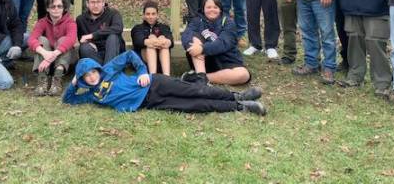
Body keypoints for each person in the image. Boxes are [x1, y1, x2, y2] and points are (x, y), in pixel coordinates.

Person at [63, 50, 266, 115]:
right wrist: (73, 83)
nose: (91, 77)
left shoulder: (107, 69)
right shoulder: (91, 94)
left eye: (92, 72)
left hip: (154, 84)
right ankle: (239, 107)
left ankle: (237, 95)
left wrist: (142, 71)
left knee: (197, 91)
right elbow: (68, 100)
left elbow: (130, 55)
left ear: (97, 69)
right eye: (86, 76)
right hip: (150, 103)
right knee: (196, 106)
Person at [181, 0, 251, 86]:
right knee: (194, 39)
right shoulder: (197, 21)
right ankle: (201, 76)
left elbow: (223, 43)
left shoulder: (229, 23)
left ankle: (200, 78)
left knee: (244, 75)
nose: (212, 10)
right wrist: (192, 47)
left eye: (215, 7)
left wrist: (202, 49)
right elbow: (186, 35)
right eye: (208, 7)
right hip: (204, 60)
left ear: (220, 9)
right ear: (203, 9)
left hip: (226, 59)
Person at [27, 0, 78, 96]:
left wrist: (53, 55)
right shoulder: (42, 22)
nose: (56, 9)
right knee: (41, 40)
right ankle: (42, 81)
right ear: (47, 9)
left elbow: (71, 39)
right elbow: (31, 39)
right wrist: (45, 53)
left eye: (59, 6)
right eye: (53, 6)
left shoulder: (70, 22)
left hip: (64, 62)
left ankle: (57, 80)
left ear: (64, 8)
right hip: (46, 63)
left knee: (64, 40)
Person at [76, 0, 125, 64]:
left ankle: (106, 71)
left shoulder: (113, 14)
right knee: (84, 48)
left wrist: (93, 35)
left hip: (113, 51)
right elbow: (82, 39)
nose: (95, 5)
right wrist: (87, 43)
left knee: (113, 37)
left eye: (98, 2)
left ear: (103, 3)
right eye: (92, 2)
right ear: (87, 4)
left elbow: (118, 28)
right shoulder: (81, 19)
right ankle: (106, 71)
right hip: (96, 54)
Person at [131, 0, 173, 75]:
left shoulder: (164, 27)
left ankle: (167, 77)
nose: (150, 17)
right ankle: (152, 77)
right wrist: (152, 39)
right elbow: (138, 41)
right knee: (150, 46)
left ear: (157, 15)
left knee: (164, 45)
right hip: (144, 63)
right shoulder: (138, 28)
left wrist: (162, 40)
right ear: (143, 15)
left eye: (153, 14)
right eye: (148, 14)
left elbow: (170, 41)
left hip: (161, 61)